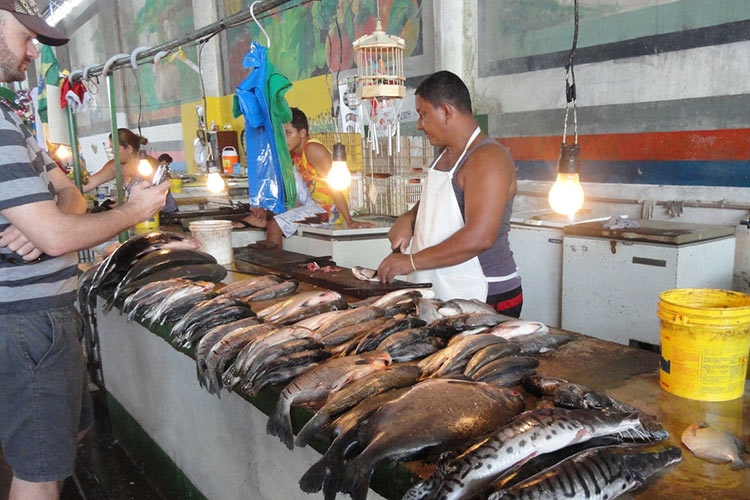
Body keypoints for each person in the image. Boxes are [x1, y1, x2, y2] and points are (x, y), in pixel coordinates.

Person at [0, 3, 169, 499]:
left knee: (65, 439)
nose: (33, 51)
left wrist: (46, 223)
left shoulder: (11, 116)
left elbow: (69, 192)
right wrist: (134, 212)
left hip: (47, 317)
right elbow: (55, 233)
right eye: (24, 38)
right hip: (27, 321)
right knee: (39, 470)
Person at [376, 71, 523, 316]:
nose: (419, 125)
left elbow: (480, 237)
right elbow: (441, 202)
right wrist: (409, 219)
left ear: (446, 110)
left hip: (486, 293)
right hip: (443, 287)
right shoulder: (444, 154)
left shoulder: (488, 158)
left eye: (423, 114)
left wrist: (411, 262)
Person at [235, 107, 373, 247]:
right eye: (281, 134)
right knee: (275, 218)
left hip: (330, 211)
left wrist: (349, 221)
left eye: (288, 133)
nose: (283, 139)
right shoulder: (295, 153)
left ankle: (275, 265)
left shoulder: (312, 149)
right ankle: (261, 221)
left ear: (302, 133)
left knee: (274, 226)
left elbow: (335, 186)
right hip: (316, 206)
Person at [83, 128, 178, 213]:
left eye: (116, 148)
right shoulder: (115, 166)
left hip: (165, 215)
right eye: (111, 148)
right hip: (142, 215)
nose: (112, 152)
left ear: (129, 149)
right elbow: (89, 183)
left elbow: (159, 192)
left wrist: (129, 200)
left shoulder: (147, 164)